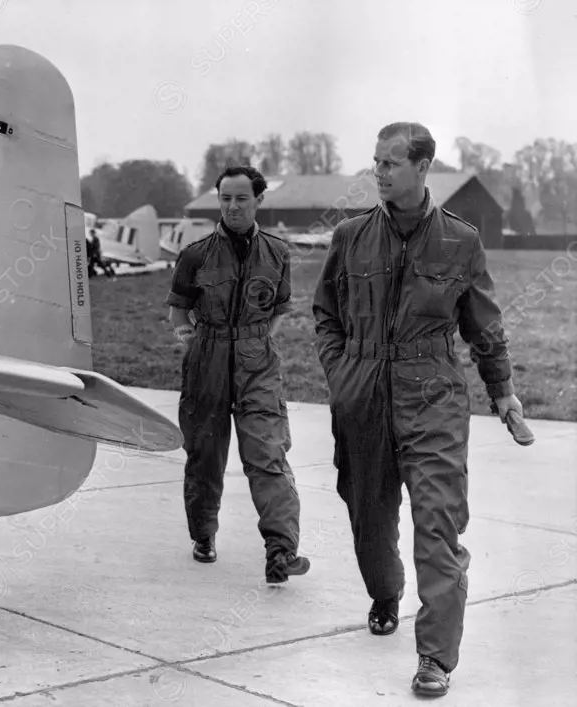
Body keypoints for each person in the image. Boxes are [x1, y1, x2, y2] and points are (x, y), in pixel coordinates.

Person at [312, 122, 524, 697]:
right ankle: (385, 593)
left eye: (390, 163)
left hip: (432, 396)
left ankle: (436, 656)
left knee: (438, 522)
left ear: (423, 168)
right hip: (361, 396)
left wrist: (501, 390)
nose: (378, 172)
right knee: (370, 516)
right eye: (376, 162)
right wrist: (341, 371)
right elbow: (325, 314)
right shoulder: (350, 237)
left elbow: (485, 325)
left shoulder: (461, 240)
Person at [165, 165, 310, 585]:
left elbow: (281, 308)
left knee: (268, 455)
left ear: (259, 200)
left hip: (257, 365)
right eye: (225, 198)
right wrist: (192, 342)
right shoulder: (195, 254)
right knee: (205, 455)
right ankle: (204, 536)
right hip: (205, 360)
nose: (232, 206)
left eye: (241, 198)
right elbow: (178, 309)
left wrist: (257, 340)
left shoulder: (278, 253)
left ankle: (281, 551)